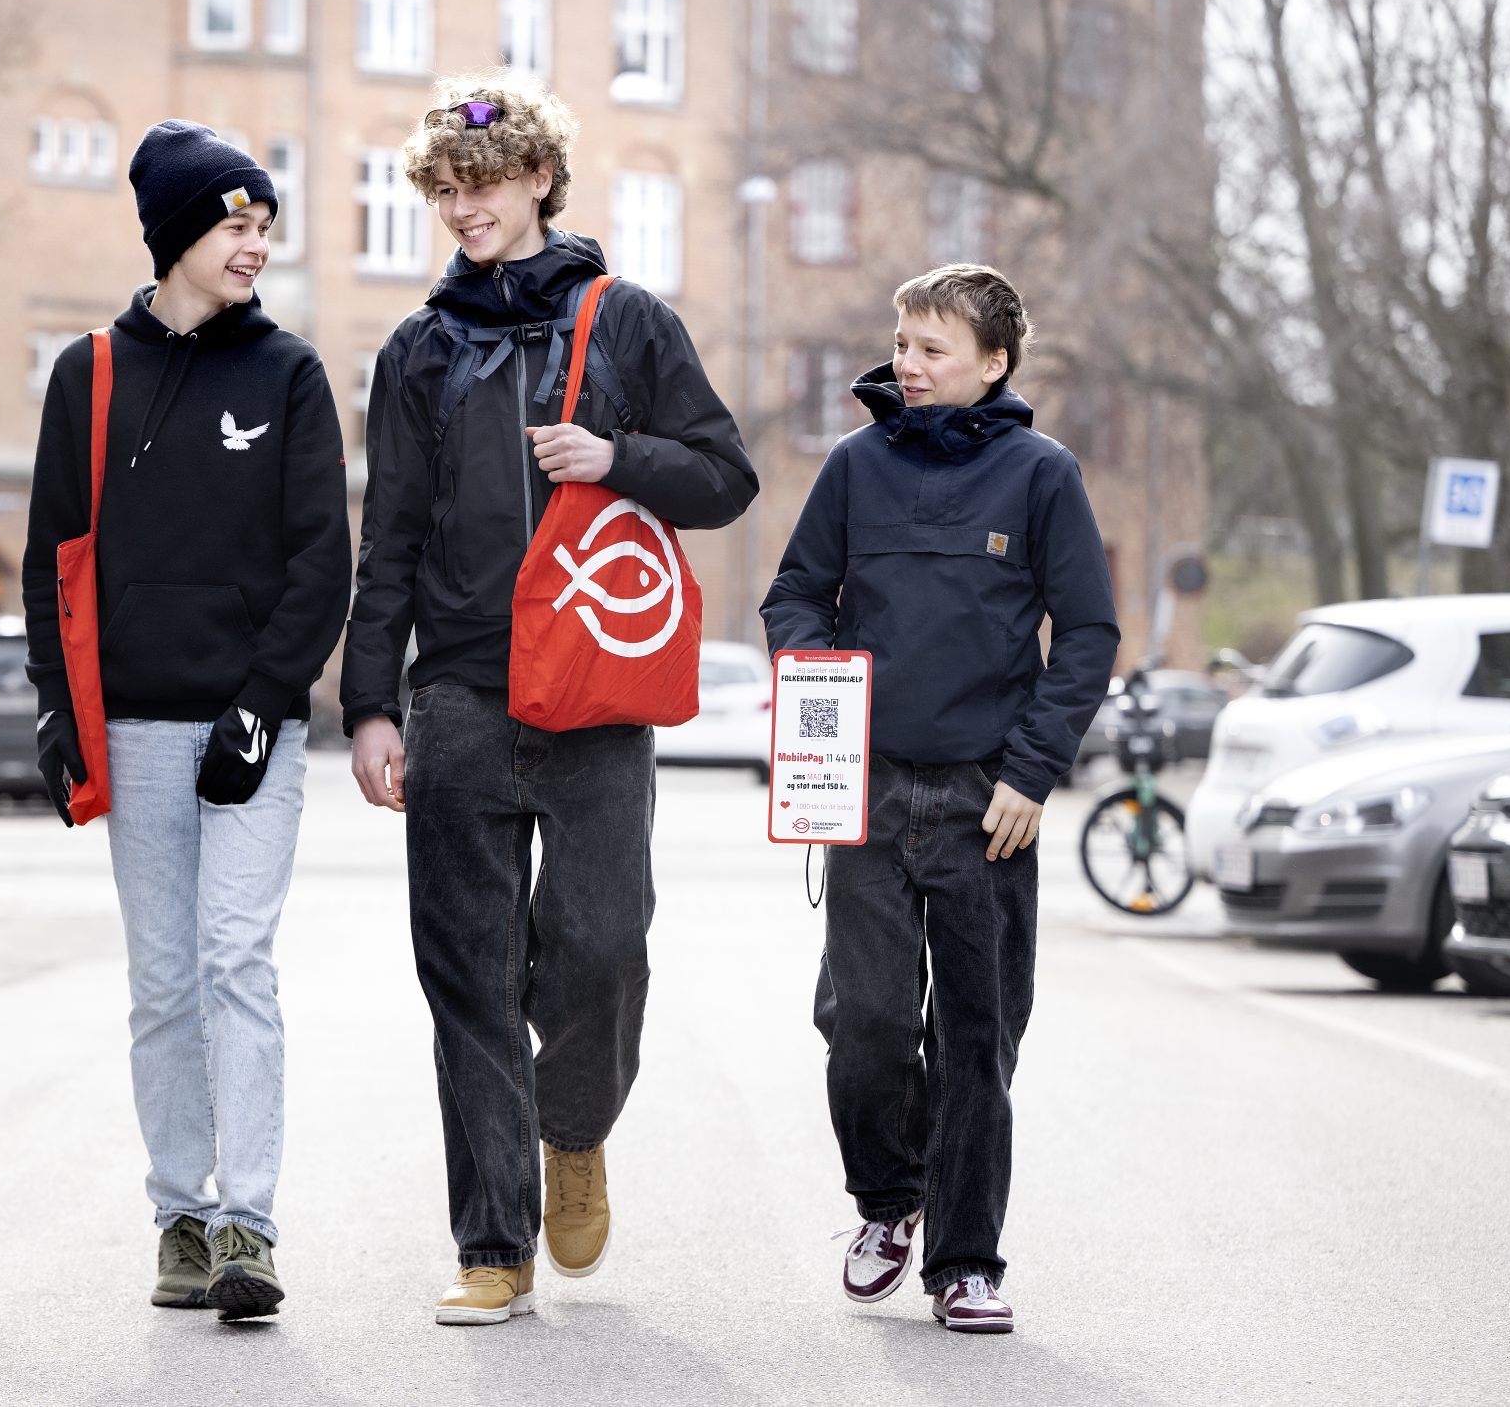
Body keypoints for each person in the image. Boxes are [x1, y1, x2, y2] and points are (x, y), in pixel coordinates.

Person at [340, 75, 757, 1325]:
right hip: (460, 691)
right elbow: (390, 539)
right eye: (442, 189)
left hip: (591, 689)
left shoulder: (626, 324)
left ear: (536, 181)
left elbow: (725, 478)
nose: (460, 207)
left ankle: (572, 1129)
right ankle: (489, 1244)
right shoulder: (417, 350)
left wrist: (615, 457)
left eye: (480, 183)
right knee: (466, 970)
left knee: (601, 944)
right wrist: (370, 704)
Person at [22, 121, 350, 1322]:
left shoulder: (289, 374)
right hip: (133, 728)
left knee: (233, 964)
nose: (254, 243)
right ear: (175, 234)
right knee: (162, 982)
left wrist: (265, 706)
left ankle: (248, 1228)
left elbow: (322, 560)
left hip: (244, 728)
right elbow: (51, 556)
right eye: (234, 223)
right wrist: (59, 710)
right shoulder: (87, 377)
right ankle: (178, 1214)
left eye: (265, 224)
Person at [761, 263, 1118, 1334]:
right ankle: (884, 1202)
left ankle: (965, 1261)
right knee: (863, 1022)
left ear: (993, 362)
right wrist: (814, 675)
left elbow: (1085, 635)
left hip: (984, 803)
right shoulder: (852, 468)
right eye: (902, 343)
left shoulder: (1041, 476)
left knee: (976, 1036)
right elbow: (792, 593)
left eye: (931, 349)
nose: (904, 365)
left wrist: (1030, 772)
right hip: (862, 792)